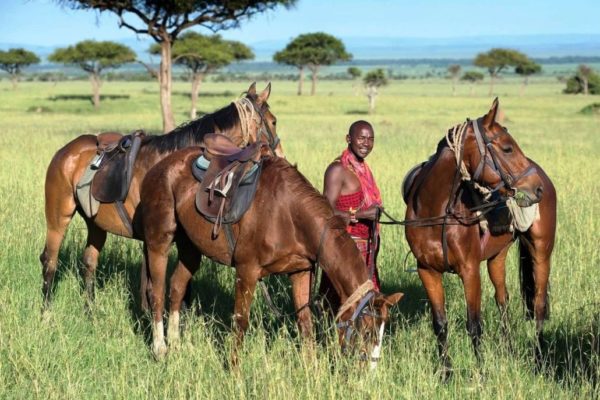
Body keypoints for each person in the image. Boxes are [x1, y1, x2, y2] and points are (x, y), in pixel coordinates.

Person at [322, 120, 383, 293]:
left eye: (371, 139)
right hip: (345, 247)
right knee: (347, 298)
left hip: (367, 246)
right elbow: (325, 211)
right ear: (348, 138)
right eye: (362, 138)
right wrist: (362, 214)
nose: (367, 144)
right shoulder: (337, 170)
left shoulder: (363, 169)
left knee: (366, 301)